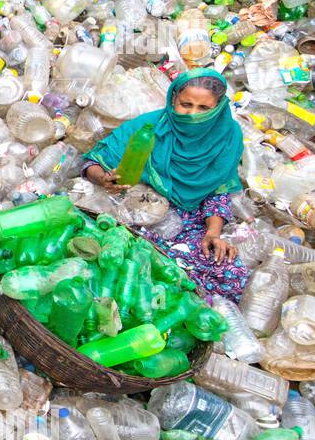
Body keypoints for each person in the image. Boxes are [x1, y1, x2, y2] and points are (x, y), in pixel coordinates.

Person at [83, 67, 248, 301]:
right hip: (133, 211)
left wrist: (213, 233)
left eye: (204, 108)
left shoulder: (227, 134)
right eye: (186, 104)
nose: (192, 115)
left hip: (188, 220)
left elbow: (217, 189)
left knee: (230, 276)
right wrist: (103, 179)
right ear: (173, 99)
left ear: (219, 108)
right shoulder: (149, 127)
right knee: (131, 267)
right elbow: (92, 162)